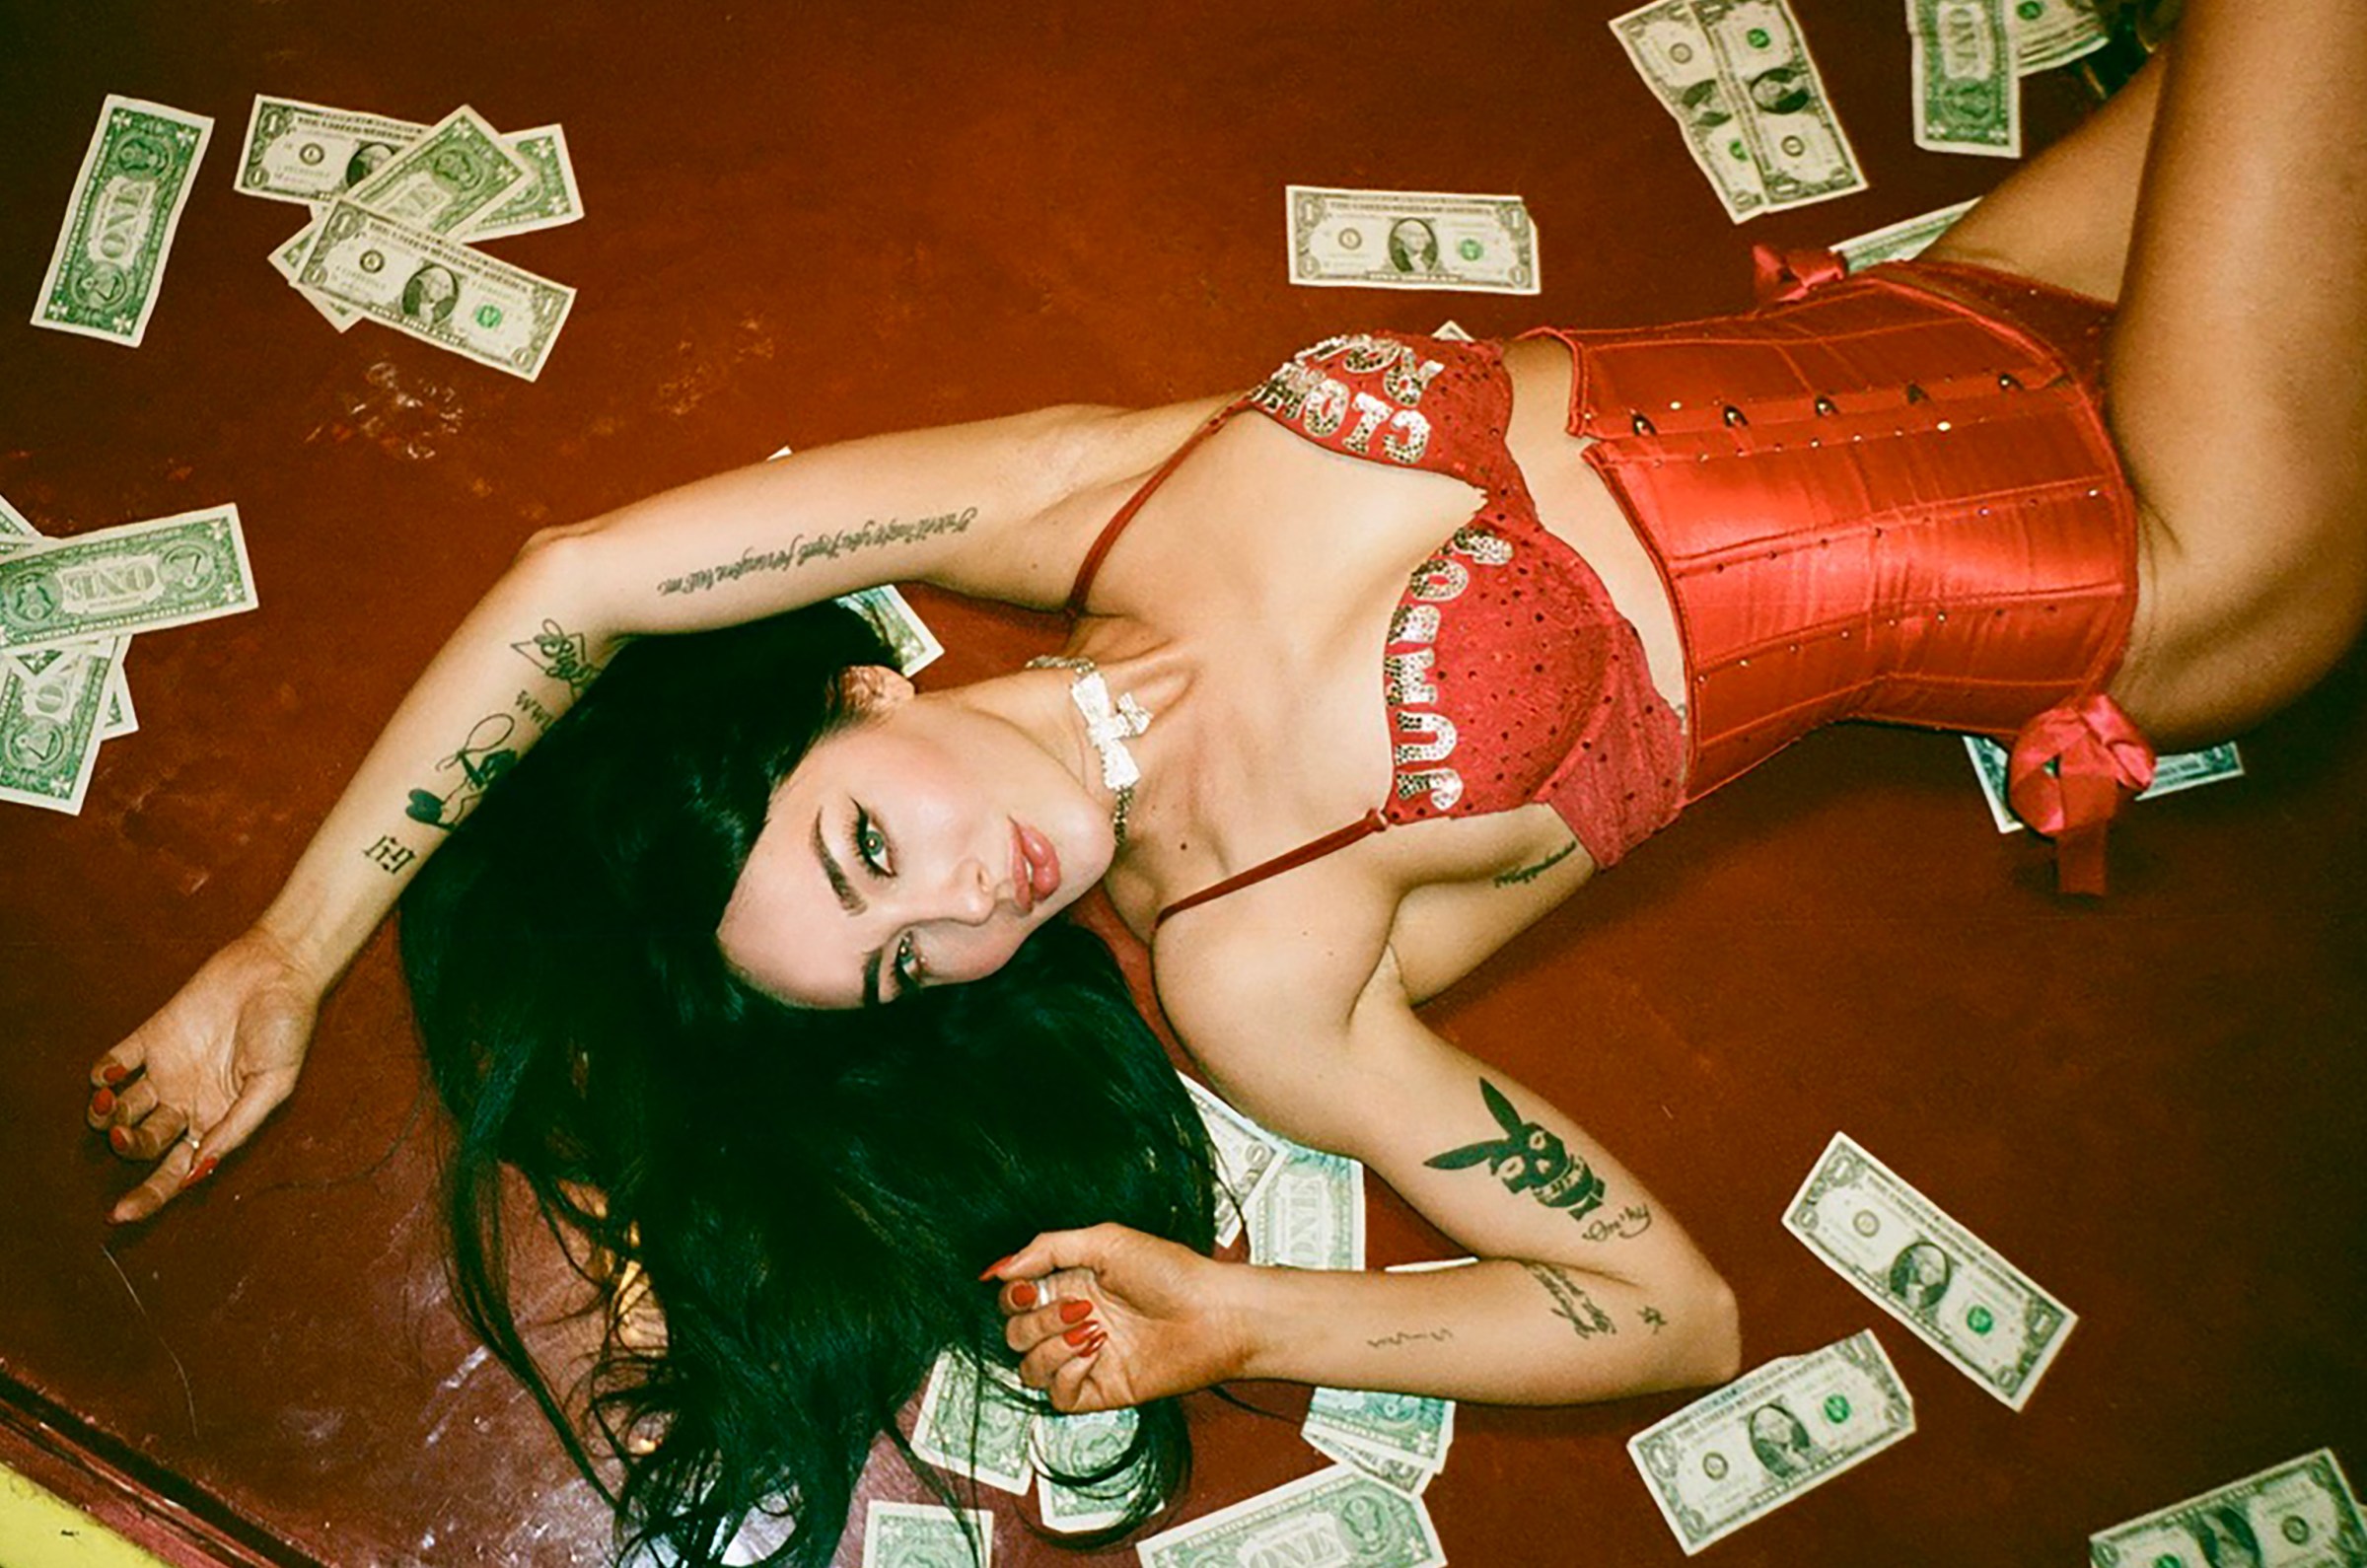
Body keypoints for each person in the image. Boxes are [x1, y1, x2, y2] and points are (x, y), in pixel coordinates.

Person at [79, 5, 2367, 1564]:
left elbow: (585, 577)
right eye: (914, 965)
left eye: (873, 850)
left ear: (866, 696)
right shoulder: (1257, 964)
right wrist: (1242, 1317)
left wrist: (290, 950)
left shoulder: (1084, 502)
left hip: (1975, 309)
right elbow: (1672, 1317)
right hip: (2168, 562)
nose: (970, 904)